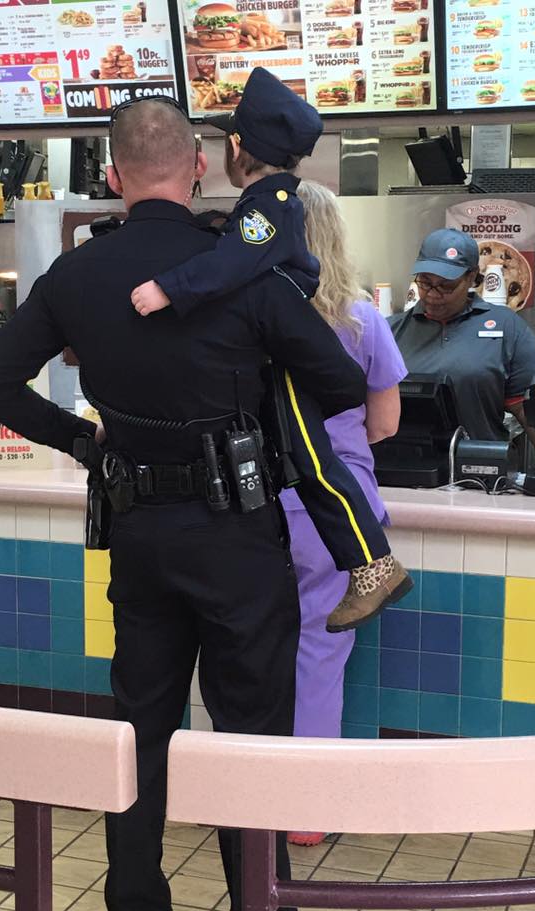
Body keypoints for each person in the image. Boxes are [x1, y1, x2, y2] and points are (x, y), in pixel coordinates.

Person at [0, 97, 364, 911]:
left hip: (139, 533)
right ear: (196, 168)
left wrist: (83, 437)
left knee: (139, 731)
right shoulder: (236, 268)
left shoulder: (79, 274)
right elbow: (337, 382)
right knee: (252, 735)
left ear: (111, 176)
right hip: (239, 541)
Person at [131, 67, 412, 633]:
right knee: (307, 459)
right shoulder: (270, 204)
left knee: (314, 464)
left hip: (287, 357)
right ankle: (370, 564)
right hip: (285, 347)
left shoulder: (267, 204)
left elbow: (236, 262)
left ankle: (373, 565)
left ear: (238, 147)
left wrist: (170, 288)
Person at [282, 181, 407, 847]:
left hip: (257, 502)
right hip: (337, 510)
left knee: (252, 650)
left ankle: (246, 794)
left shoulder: (248, 315)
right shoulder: (361, 318)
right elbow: (385, 422)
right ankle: (305, 814)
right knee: (319, 654)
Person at [390, 228, 535, 452]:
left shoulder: (507, 328)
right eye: (425, 282)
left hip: (478, 470)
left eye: (446, 285)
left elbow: (529, 412)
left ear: (472, 276)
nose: (433, 294)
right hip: (402, 469)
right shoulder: (390, 331)